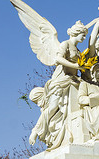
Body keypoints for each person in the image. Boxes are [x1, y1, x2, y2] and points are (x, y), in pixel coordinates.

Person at [29, 21, 88, 149]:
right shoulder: (65, 44)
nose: (84, 38)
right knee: (53, 107)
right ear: (76, 33)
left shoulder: (78, 50)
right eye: (83, 35)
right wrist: (75, 66)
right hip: (60, 81)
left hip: (73, 80)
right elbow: (58, 59)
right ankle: (36, 130)